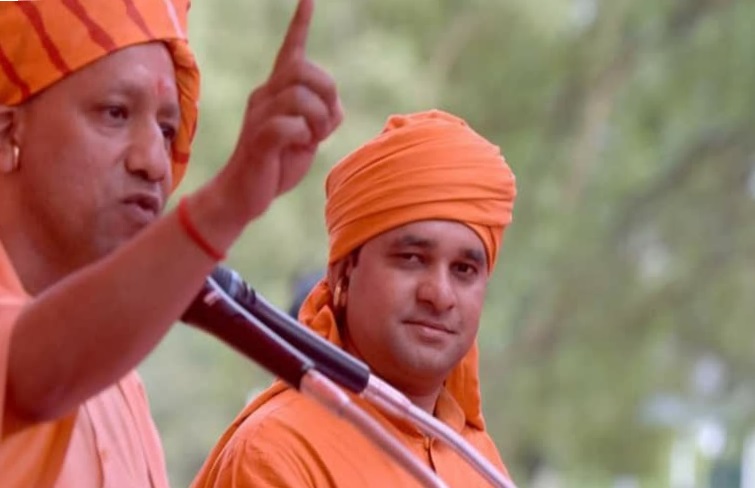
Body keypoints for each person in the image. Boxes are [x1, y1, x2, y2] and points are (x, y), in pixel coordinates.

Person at [0, 0, 342, 487]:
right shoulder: (64, 364)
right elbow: (30, 375)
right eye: (115, 113)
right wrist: (226, 202)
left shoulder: (119, 386)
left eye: (167, 130)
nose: (155, 163)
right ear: (7, 131)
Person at [192, 109, 517, 487]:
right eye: (412, 259)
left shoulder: (479, 461)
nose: (440, 295)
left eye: (464, 270)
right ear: (344, 272)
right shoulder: (278, 450)